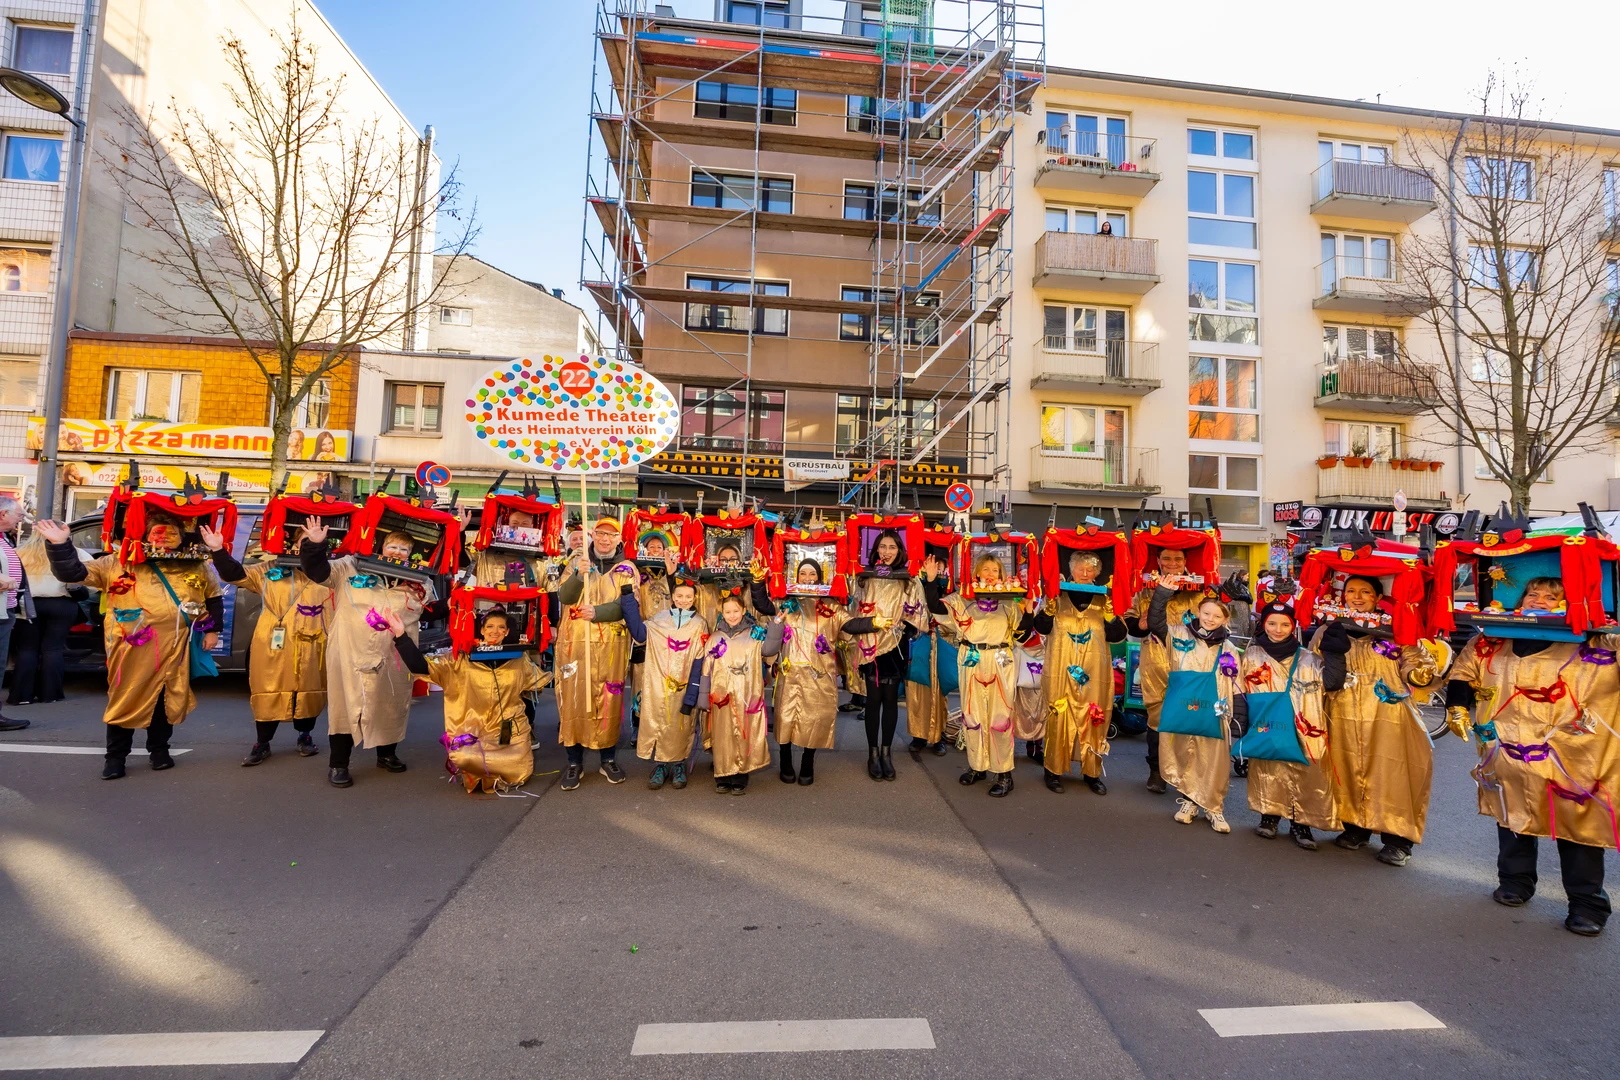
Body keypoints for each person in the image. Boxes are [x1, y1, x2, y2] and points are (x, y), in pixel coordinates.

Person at [1445, 576, 1614, 936]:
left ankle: (1587, 905)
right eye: (1532, 594)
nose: (1539, 600)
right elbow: (1463, 673)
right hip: (1507, 745)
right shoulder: (1491, 638)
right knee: (1512, 816)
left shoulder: (1599, 641)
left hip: (1573, 754)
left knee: (1577, 827)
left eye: (1551, 597)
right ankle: (1516, 883)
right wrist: (1456, 707)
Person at [37, 514, 223, 778]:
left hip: (175, 646)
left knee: (165, 699)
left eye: (172, 534)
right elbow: (73, 573)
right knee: (125, 698)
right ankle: (115, 758)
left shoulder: (196, 565)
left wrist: (213, 629)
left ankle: (159, 751)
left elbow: (213, 597)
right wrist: (60, 544)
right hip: (130, 647)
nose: (165, 540)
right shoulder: (117, 562)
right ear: (144, 535)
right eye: (159, 533)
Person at [1313, 575, 1438, 866]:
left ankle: (1398, 839)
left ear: (1378, 598)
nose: (1357, 597)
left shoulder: (1395, 628)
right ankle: (1355, 826)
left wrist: (1418, 673)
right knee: (1345, 768)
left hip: (1388, 715)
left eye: (1365, 592)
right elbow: (1313, 664)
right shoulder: (1327, 630)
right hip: (1342, 712)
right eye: (1351, 591)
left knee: (1393, 775)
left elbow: (1415, 661)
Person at [299, 520, 426, 788]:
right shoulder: (349, 566)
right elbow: (317, 571)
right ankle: (338, 764)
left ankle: (387, 754)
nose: (397, 552)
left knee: (390, 701)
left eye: (405, 549)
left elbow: (436, 609)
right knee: (345, 705)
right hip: (350, 650)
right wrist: (314, 545)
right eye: (392, 546)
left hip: (394, 653)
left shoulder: (418, 581)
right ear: (381, 545)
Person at [202, 520, 334, 765]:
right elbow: (235, 575)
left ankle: (304, 736)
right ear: (292, 545)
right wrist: (218, 550)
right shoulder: (270, 569)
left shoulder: (329, 573)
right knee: (267, 689)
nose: (307, 548)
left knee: (310, 691)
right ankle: (262, 743)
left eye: (313, 542)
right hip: (273, 644)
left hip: (314, 643)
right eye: (303, 542)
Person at [384, 606, 551, 793]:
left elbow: (537, 687)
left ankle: (488, 770)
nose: (495, 632)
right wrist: (401, 636)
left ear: (507, 632)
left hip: (508, 732)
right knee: (463, 757)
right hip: (473, 730)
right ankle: (477, 772)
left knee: (520, 768)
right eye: (490, 627)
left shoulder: (520, 660)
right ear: (482, 630)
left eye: (500, 628)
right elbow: (421, 667)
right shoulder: (459, 660)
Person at [752, 563, 886, 786]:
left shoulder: (831, 606)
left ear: (821, 577)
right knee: (785, 718)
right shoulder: (787, 602)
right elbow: (763, 605)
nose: (807, 577)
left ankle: (807, 761)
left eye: (812, 573)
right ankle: (785, 760)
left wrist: (874, 622)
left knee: (814, 720)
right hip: (790, 672)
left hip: (819, 674)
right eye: (802, 573)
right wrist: (757, 583)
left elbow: (850, 624)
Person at [922, 552, 1037, 797]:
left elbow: (1021, 636)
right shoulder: (962, 600)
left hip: (1000, 661)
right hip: (971, 660)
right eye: (985, 569)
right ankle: (978, 765)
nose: (990, 575)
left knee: (999, 717)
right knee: (972, 715)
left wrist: (1028, 613)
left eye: (995, 571)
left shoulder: (1009, 605)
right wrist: (931, 580)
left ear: (1002, 576)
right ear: (976, 574)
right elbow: (936, 608)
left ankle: (1004, 772)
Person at [1241, 601, 1339, 849]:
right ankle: (1269, 816)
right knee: (1268, 767)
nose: (1278, 629)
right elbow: (1240, 688)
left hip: (1303, 724)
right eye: (1272, 623)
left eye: (1285, 624)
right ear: (1263, 624)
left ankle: (1300, 822)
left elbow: (1332, 684)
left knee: (1303, 771)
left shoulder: (1309, 659)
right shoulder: (1251, 655)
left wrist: (1336, 652)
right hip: (1266, 723)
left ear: (1293, 626)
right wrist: (1240, 722)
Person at [1149, 586, 1244, 832]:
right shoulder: (1179, 635)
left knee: (1216, 759)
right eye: (1206, 613)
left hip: (1216, 711)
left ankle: (1214, 807)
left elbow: (1236, 685)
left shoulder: (1229, 649)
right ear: (1198, 611)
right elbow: (1155, 622)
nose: (1210, 619)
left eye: (1217, 616)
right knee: (1184, 752)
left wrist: (1240, 719)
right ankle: (1190, 801)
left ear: (1225, 619)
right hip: (1183, 708)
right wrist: (1162, 593)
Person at [554, 517, 637, 791]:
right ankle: (574, 762)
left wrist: (598, 613)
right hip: (574, 646)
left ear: (618, 540)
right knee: (573, 698)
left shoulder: (627, 569)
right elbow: (564, 597)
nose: (604, 539)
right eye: (600, 533)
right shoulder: (577, 561)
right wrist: (578, 574)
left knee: (608, 700)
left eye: (610, 536)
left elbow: (629, 606)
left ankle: (608, 759)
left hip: (611, 649)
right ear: (593, 534)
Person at [1034, 550, 1127, 794]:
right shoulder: (1058, 594)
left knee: (1094, 716)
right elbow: (1041, 628)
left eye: (1090, 569)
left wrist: (1110, 614)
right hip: (1060, 668)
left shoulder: (1105, 599)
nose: (1085, 574)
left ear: (1097, 573)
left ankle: (1092, 772)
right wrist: (1049, 607)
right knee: (1058, 714)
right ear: (1071, 569)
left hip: (1094, 672)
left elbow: (1118, 635)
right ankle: (1052, 770)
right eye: (1080, 568)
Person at [681, 591, 784, 794]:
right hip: (721, 698)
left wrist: (777, 623)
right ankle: (722, 773)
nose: (732, 615)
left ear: (743, 610)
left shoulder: (754, 635)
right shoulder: (715, 638)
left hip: (746, 696)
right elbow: (706, 670)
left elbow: (770, 649)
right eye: (727, 611)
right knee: (723, 736)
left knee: (744, 734)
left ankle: (740, 773)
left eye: (736, 611)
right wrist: (703, 696)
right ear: (722, 613)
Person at [1130, 545, 1207, 794]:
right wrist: (1140, 625)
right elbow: (1129, 622)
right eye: (1166, 558)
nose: (1172, 563)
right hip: (1155, 659)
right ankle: (1157, 771)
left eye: (1177, 558)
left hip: (1190, 662)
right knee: (1157, 715)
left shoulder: (1200, 590)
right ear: (1158, 561)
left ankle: (1187, 770)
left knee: (1189, 713)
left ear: (1185, 560)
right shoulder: (1143, 589)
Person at [850, 529, 926, 781]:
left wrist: (904, 624)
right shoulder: (863, 578)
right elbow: (851, 611)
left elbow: (919, 614)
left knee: (891, 700)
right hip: (870, 645)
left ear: (899, 550)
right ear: (875, 550)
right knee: (873, 700)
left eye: (892, 547)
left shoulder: (908, 579)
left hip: (895, 646)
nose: (886, 552)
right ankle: (872, 754)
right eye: (882, 547)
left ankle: (886, 753)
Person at [629, 567, 706, 790]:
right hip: (659, 683)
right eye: (679, 596)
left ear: (694, 598)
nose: (683, 600)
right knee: (661, 721)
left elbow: (700, 658)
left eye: (688, 597)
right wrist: (628, 599)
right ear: (672, 597)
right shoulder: (659, 620)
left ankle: (679, 763)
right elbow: (639, 633)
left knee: (682, 724)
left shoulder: (699, 623)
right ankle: (661, 764)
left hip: (684, 684)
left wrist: (693, 691)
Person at [10, 528, 87, 710]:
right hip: (61, 604)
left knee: (27, 649)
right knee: (53, 648)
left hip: (28, 604)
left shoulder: (18, 551)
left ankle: (21, 695)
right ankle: (50, 694)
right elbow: (88, 577)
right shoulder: (75, 552)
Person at [906, 556, 955, 758]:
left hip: (943, 641)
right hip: (920, 641)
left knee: (939, 690)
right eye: (929, 566)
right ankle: (919, 735)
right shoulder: (913, 586)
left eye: (939, 567)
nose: (934, 569)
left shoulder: (951, 591)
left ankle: (939, 735)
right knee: (917, 689)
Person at [0, 497, 31, 730]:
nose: (20, 520)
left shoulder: (5, 538)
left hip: (5, 609)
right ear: (3, 514)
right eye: (18, 516)